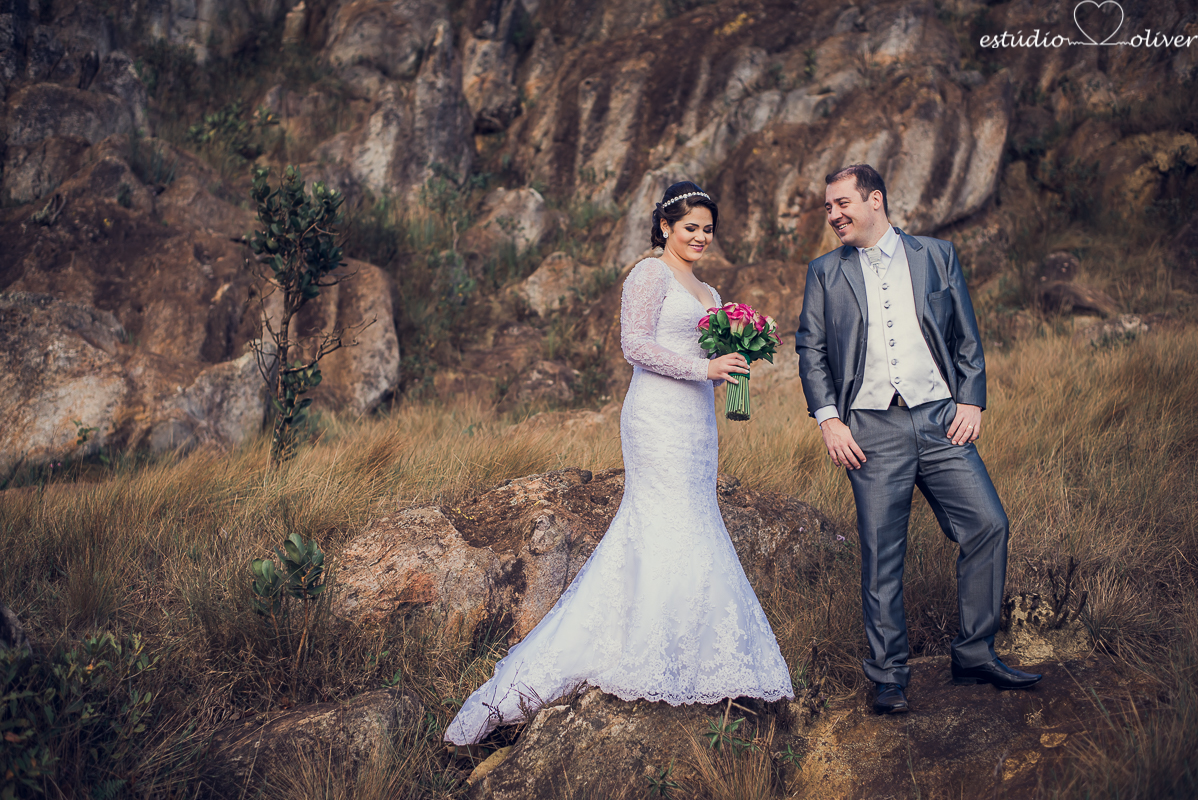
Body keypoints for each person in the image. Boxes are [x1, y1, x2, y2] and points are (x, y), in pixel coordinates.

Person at [445, 181, 795, 745]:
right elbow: (635, 344)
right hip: (656, 417)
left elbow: (702, 347)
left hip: (698, 423)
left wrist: (734, 357)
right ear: (664, 227)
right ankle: (633, 650)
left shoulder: (707, 288)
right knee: (660, 520)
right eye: (690, 228)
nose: (700, 237)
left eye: (707, 229)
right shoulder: (648, 274)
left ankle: (694, 652)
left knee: (697, 520)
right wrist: (702, 371)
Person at [796, 164, 1041, 715]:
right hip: (870, 429)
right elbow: (809, 349)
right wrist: (830, 420)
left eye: (842, 204)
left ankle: (975, 653)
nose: (833, 215)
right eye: (828, 208)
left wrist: (972, 400)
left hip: (938, 419)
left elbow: (965, 335)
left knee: (986, 524)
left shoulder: (936, 255)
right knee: (882, 553)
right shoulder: (825, 272)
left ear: (875, 200)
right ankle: (888, 675)